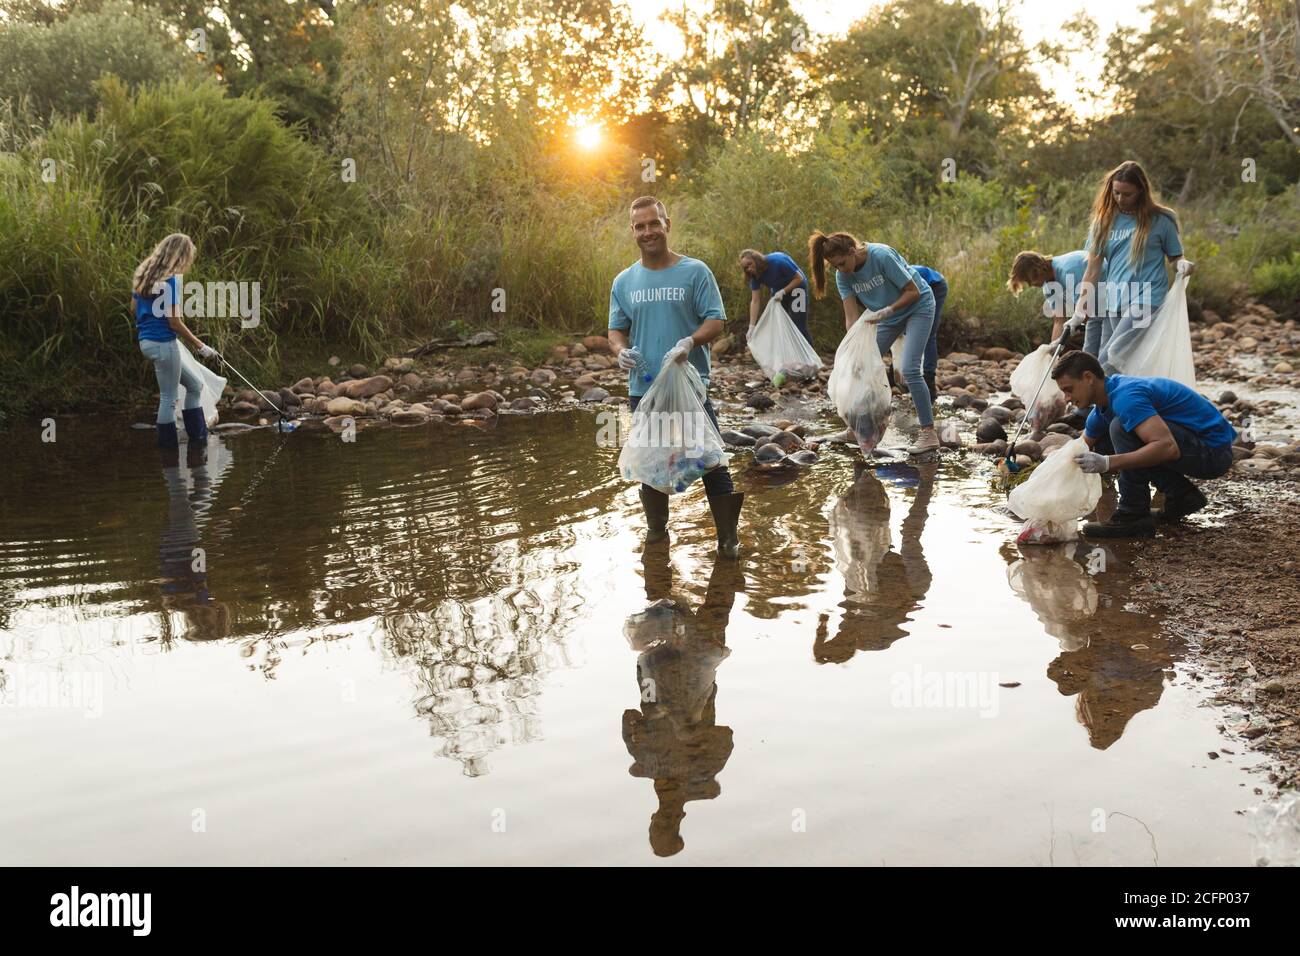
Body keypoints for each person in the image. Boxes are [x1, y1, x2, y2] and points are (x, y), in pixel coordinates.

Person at [608, 197, 744, 557]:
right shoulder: (624, 281)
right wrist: (621, 351)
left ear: (667, 224)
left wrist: (691, 341)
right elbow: (615, 330)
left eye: (654, 223)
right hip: (644, 388)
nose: (648, 231)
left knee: (712, 461)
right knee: (651, 464)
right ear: (632, 231)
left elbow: (716, 321)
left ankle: (728, 540)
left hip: (689, 386)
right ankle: (657, 536)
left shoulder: (695, 272)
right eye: (640, 226)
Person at [1050, 351, 1234, 538]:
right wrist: (1049, 480)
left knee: (1120, 428)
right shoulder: (1101, 409)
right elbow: (1080, 449)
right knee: (1106, 441)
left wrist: (1107, 462)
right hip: (1192, 445)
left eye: (1069, 389)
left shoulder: (1126, 397)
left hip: (1213, 452)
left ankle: (1133, 515)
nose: (1066, 398)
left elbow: (1167, 448)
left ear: (1088, 377)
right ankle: (1182, 497)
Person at [808, 231, 939, 455]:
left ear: (852, 251)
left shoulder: (881, 256)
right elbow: (850, 318)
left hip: (918, 307)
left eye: (842, 263)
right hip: (884, 316)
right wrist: (855, 348)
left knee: (909, 369)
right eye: (835, 267)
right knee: (857, 367)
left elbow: (913, 292)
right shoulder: (843, 277)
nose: (841, 270)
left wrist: (887, 310)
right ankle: (858, 428)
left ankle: (929, 433)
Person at [1073, 161, 1193, 371]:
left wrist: (1183, 265)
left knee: (1111, 356)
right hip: (1114, 299)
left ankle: (1087, 405)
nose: (1120, 199)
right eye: (1116, 193)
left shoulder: (1162, 220)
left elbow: (1175, 257)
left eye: (1127, 194)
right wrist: (1079, 310)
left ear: (1141, 191)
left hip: (1147, 298)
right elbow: (1092, 270)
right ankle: (1110, 404)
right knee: (1115, 363)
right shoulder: (1103, 222)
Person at [132, 233, 218, 449]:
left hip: (146, 341)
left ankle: (198, 440)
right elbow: (174, 322)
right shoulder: (170, 280)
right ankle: (168, 451)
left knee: (195, 385)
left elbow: (133, 308)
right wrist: (201, 346)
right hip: (163, 343)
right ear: (181, 256)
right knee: (169, 398)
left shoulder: (143, 275)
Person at [1007, 250, 1107, 354]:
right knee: (1090, 354)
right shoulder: (1048, 287)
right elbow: (1059, 320)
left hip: (1113, 301)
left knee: (1102, 354)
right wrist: (1052, 350)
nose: (1032, 284)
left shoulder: (1068, 270)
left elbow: (1085, 311)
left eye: (1031, 279)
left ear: (1039, 268)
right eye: (1027, 283)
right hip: (1096, 310)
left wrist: (1065, 337)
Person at [740, 249, 812, 346]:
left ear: (756, 259)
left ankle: (809, 357)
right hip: (778, 294)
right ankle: (787, 358)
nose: (749, 268)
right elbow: (755, 301)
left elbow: (799, 278)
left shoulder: (778, 261)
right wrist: (751, 326)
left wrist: (783, 291)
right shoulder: (755, 276)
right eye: (746, 267)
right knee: (779, 326)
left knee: (799, 326)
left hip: (797, 289)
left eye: (750, 264)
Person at [910, 264, 946, 404]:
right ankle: (899, 375)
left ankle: (929, 380)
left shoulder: (892, 278)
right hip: (916, 288)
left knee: (929, 333)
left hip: (936, 285)